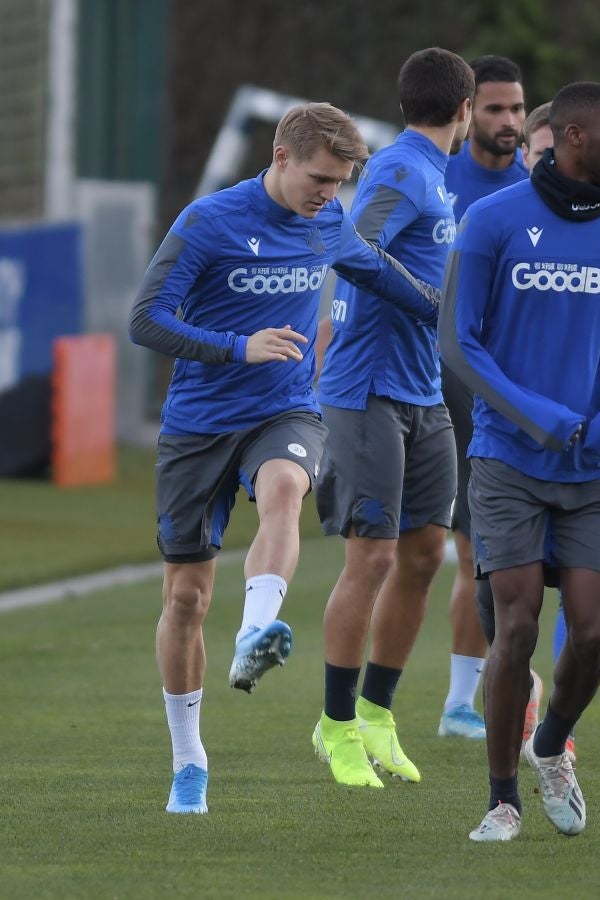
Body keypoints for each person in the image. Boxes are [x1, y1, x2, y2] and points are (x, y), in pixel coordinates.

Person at [128, 102, 440, 815]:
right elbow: (145, 319)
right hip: (200, 422)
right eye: (320, 178)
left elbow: (378, 272)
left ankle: (254, 630)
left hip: (286, 408)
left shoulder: (327, 220)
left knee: (285, 488)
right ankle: (189, 760)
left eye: (340, 184)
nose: (328, 195)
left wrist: (453, 311)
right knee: (183, 599)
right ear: (281, 158)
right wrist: (238, 346)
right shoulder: (209, 221)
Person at [442, 81, 600, 842]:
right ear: (572, 136)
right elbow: (459, 342)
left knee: (595, 634)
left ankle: (551, 745)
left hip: (594, 472)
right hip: (506, 460)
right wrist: (532, 414)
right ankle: (500, 800)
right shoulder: (493, 220)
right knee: (513, 627)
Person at [312, 48, 474, 789]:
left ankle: (378, 713)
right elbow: (347, 244)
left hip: (420, 392)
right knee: (371, 558)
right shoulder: (401, 169)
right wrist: (425, 303)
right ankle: (335, 724)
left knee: (422, 555)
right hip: (365, 388)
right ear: (464, 110)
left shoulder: (435, 177)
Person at [438, 55, 528, 741]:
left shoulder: (534, 192)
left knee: (483, 550)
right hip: (430, 382)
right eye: (494, 109)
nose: (508, 122)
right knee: (411, 553)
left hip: (498, 389)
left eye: (517, 110)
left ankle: (461, 702)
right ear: (466, 111)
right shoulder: (434, 180)